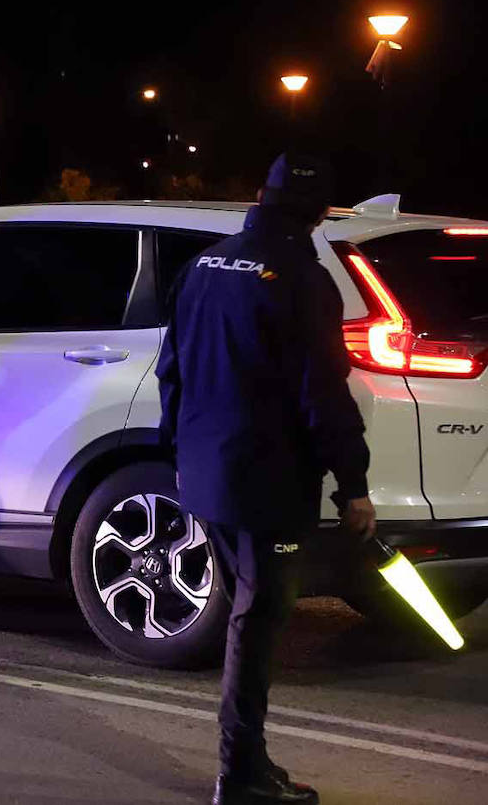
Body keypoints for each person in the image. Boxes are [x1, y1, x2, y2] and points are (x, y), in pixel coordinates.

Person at [157, 153, 376, 805]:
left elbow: (173, 369)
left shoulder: (204, 263)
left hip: (206, 471)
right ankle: (241, 773)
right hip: (268, 480)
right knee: (258, 621)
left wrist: (180, 449)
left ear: (262, 193)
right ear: (318, 213)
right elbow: (325, 397)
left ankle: (250, 760)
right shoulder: (304, 280)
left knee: (250, 613)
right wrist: (352, 485)